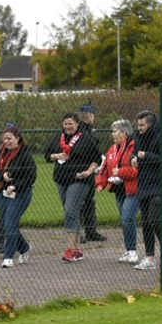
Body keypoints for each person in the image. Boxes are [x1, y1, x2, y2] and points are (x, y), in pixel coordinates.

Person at [45, 112, 102, 262]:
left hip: (79, 179)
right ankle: (77, 250)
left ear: (77, 124)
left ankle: (70, 249)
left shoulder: (85, 138)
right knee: (71, 212)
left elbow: (97, 159)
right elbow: (47, 156)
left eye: (70, 123)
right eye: (65, 124)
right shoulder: (59, 137)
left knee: (70, 210)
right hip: (61, 179)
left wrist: (89, 172)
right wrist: (57, 156)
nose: (68, 126)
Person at [0, 123, 36, 268]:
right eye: (5, 139)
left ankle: (8, 257)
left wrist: (15, 185)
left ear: (17, 139)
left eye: (10, 139)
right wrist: (2, 176)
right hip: (2, 193)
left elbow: (31, 176)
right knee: (6, 223)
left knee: (10, 222)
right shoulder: (0, 152)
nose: (7, 141)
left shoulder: (25, 155)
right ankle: (24, 248)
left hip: (20, 194)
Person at [130, 111, 162, 270]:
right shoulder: (138, 136)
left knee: (155, 219)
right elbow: (134, 153)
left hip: (160, 185)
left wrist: (145, 155)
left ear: (150, 124)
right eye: (138, 125)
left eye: (142, 125)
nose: (139, 128)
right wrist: (133, 158)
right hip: (144, 184)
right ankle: (149, 258)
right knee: (146, 222)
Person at [95, 120, 139, 264]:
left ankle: (133, 251)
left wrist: (120, 172)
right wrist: (100, 182)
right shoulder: (112, 149)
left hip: (133, 189)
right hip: (119, 189)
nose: (112, 134)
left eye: (114, 131)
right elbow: (105, 167)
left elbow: (136, 171)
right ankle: (129, 250)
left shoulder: (134, 147)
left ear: (123, 133)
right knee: (125, 220)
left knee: (127, 218)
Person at [77, 105, 106, 243]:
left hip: (89, 170)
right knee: (80, 203)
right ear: (88, 116)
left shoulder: (87, 130)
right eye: (92, 115)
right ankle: (80, 233)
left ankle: (90, 231)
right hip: (83, 170)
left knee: (89, 201)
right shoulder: (82, 131)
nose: (94, 118)